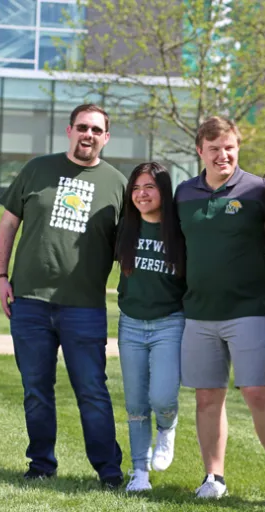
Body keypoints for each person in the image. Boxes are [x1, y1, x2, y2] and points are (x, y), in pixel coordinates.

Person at [0, 103, 127, 489]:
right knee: (36, 389)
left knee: (92, 390)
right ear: (69, 130)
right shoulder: (37, 169)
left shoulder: (117, 184)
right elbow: (8, 225)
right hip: (30, 302)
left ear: (106, 138)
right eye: (82, 127)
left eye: (96, 130)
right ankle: (41, 465)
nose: (88, 135)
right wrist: (2, 276)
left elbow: (127, 247)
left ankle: (109, 471)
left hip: (83, 306)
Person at [175, 116, 265, 504]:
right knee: (207, 398)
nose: (222, 155)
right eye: (214, 149)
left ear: (237, 148)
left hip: (249, 310)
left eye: (229, 147)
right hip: (199, 313)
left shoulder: (261, 190)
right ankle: (214, 477)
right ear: (200, 152)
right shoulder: (183, 193)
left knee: (257, 392)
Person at [115, 162, 187, 492]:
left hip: (169, 323)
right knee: (134, 404)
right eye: (136, 188)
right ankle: (139, 472)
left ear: (164, 192)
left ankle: (167, 427)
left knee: (162, 397)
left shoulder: (180, 232)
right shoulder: (125, 229)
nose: (142, 194)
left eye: (150, 187)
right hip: (130, 325)